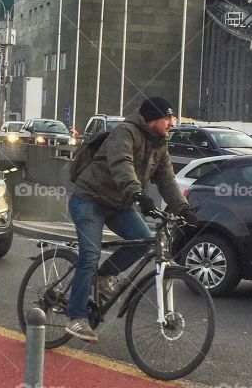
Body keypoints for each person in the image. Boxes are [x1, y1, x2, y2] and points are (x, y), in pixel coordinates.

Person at [64, 95, 196, 344]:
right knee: (90, 256)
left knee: (144, 240)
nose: (171, 123)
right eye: (167, 118)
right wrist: (136, 192)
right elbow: (121, 164)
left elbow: (167, 179)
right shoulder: (125, 133)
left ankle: (103, 277)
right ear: (152, 119)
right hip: (89, 200)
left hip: (118, 204)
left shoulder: (160, 145)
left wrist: (183, 208)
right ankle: (76, 316)